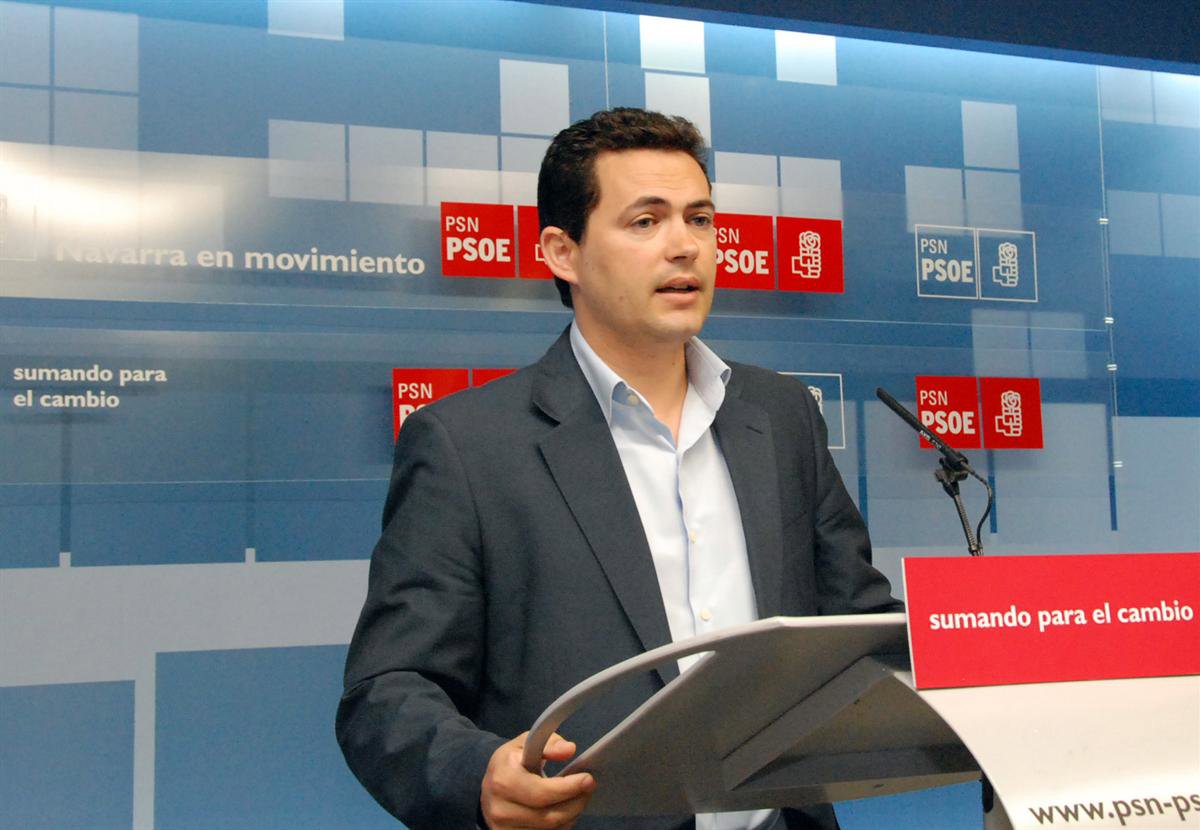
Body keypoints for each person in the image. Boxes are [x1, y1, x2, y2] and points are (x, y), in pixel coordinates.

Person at [336, 108, 901, 830]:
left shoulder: (781, 413)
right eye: (645, 222)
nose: (685, 246)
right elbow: (387, 691)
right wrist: (477, 775)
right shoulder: (467, 446)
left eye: (700, 219)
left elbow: (858, 625)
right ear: (562, 252)